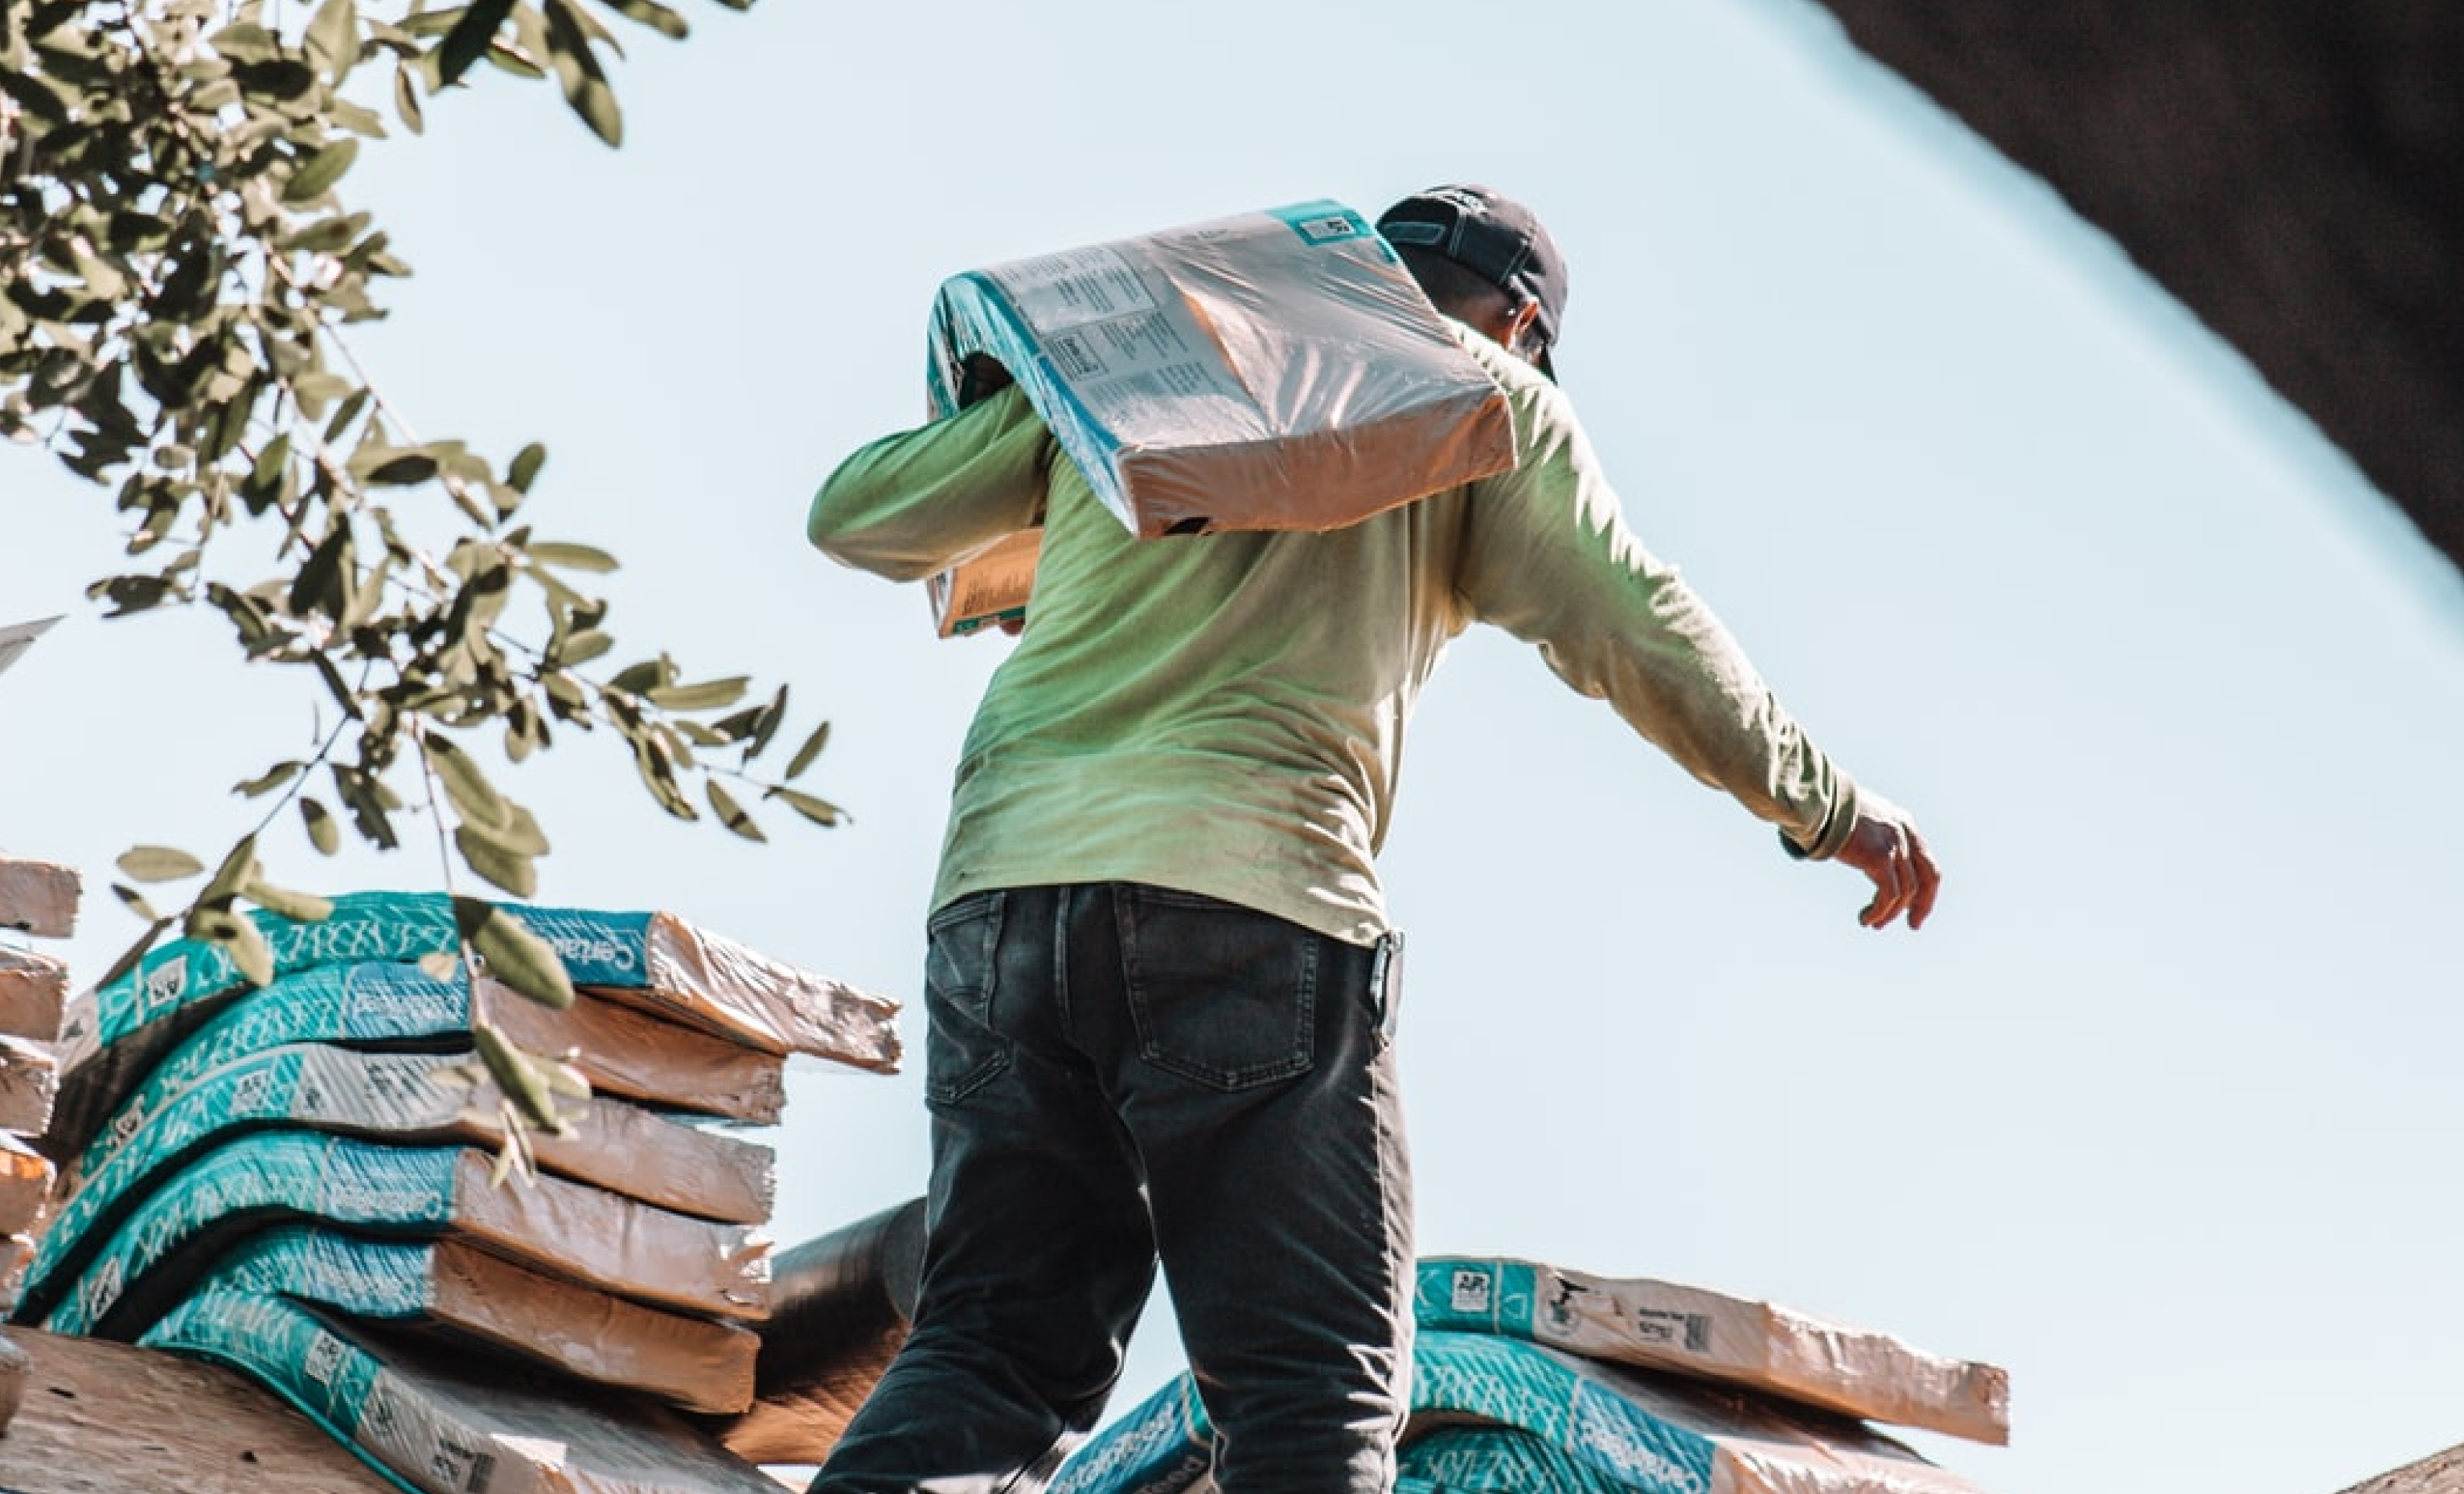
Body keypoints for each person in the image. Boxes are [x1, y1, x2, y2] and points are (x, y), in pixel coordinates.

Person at [802, 184, 1941, 1494]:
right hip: (1252, 907)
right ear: (1517, 321)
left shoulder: (1161, 368)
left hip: (1002, 904)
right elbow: (1640, 632)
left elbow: (854, 516)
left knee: (989, 1352)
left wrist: (1044, 460)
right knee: (1313, 1388)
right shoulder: (1483, 401)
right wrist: (1832, 811)